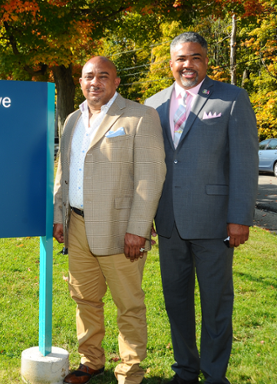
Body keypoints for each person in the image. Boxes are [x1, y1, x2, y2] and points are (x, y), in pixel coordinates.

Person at [144, 32, 259, 384]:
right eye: (181, 59)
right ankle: (185, 369)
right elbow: (148, 165)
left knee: (216, 305)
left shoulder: (232, 98)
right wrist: (144, 215)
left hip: (214, 225)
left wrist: (239, 218)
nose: (187, 65)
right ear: (170, 64)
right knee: (176, 303)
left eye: (195, 57)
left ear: (206, 61)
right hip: (169, 222)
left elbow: (244, 163)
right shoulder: (153, 104)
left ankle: (214, 374)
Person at [53, 56, 166, 384]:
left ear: (116, 82)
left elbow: (151, 175)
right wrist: (60, 215)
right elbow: (65, 170)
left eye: (103, 76)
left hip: (121, 230)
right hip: (76, 226)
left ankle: (129, 372)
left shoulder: (140, 116)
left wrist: (138, 228)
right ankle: (91, 361)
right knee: (83, 299)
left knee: (128, 304)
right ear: (82, 80)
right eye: (89, 76)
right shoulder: (73, 119)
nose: (95, 82)